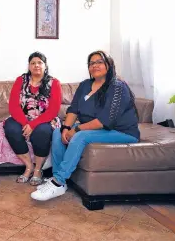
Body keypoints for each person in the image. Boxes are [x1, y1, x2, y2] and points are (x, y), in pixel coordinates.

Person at [31, 51, 140, 201]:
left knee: (81, 135)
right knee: (57, 133)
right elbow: (73, 109)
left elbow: (104, 121)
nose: (95, 65)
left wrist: (76, 129)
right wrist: (66, 128)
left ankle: (58, 181)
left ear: (109, 64)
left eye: (99, 62)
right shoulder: (85, 85)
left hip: (120, 131)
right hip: (96, 129)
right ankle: (58, 182)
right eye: (91, 63)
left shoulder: (117, 87)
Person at [4, 52, 62, 185]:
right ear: (29, 66)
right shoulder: (21, 80)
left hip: (45, 119)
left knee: (42, 132)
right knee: (11, 128)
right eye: (33, 63)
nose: (36, 65)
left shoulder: (54, 83)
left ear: (45, 66)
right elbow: (13, 106)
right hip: (22, 118)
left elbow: (53, 110)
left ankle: (37, 170)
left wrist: (33, 124)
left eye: (40, 62)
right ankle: (29, 166)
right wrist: (26, 123)